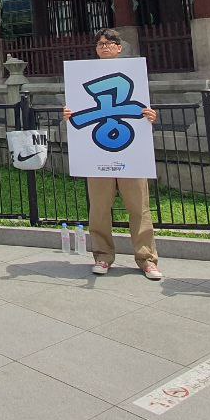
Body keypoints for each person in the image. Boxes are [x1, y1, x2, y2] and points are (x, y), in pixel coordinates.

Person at [62, 29, 162, 280]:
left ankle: (147, 258)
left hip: (130, 152)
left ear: (120, 47)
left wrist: (151, 116)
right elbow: (79, 111)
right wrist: (70, 116)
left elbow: (143, 108)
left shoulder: (133, 74)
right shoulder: (84, 76)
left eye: (110, 43)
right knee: (99, 208)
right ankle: (103, 256)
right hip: (97, 154)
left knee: (139, 208)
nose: (105, 47)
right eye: (100, 43)